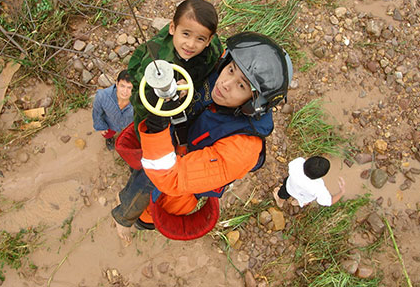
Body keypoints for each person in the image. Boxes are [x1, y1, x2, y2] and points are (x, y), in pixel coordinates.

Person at [113, 32, 292, 242]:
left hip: (175, 184)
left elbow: (170, 178)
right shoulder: (218, 74)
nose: (225, 83)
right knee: (139, 179)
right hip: (171, 144)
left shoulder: (242, 150)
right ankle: (129, 210)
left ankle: (132, 222)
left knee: (149, 208)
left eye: (241, 85)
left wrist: (157, 124)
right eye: (231, 69)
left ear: (253, 104)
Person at [127, 0, 223, 138]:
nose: (191, 44)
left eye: (200, 39)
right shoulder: (154, 64)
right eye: (186, 34)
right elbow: (140, 102)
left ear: (209, 40)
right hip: (159, 110)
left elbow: (214, 66)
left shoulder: (213, 48)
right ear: (172, 28)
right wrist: (169, 97)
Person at [272, 156, 345, 210]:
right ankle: (297, 202)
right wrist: (341, 192)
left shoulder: (298, 163)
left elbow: (295, 163)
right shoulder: (319, 187)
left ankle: (280, 203)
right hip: (304, 196)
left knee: (282, 194)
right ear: (322, 175)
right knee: (303, 200)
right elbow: (329, 201)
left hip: (290, 187)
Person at [92, 70, 134, 151]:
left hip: (129, 124)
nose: (125, 91)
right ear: (117, 84)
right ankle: (109, 139)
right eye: (122, 86)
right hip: (110, 123)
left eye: (129, 88)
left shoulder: (139, 100)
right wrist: (100, 126)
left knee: (131, 137)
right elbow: (97, 112)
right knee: (107, 134)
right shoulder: (102, 96)